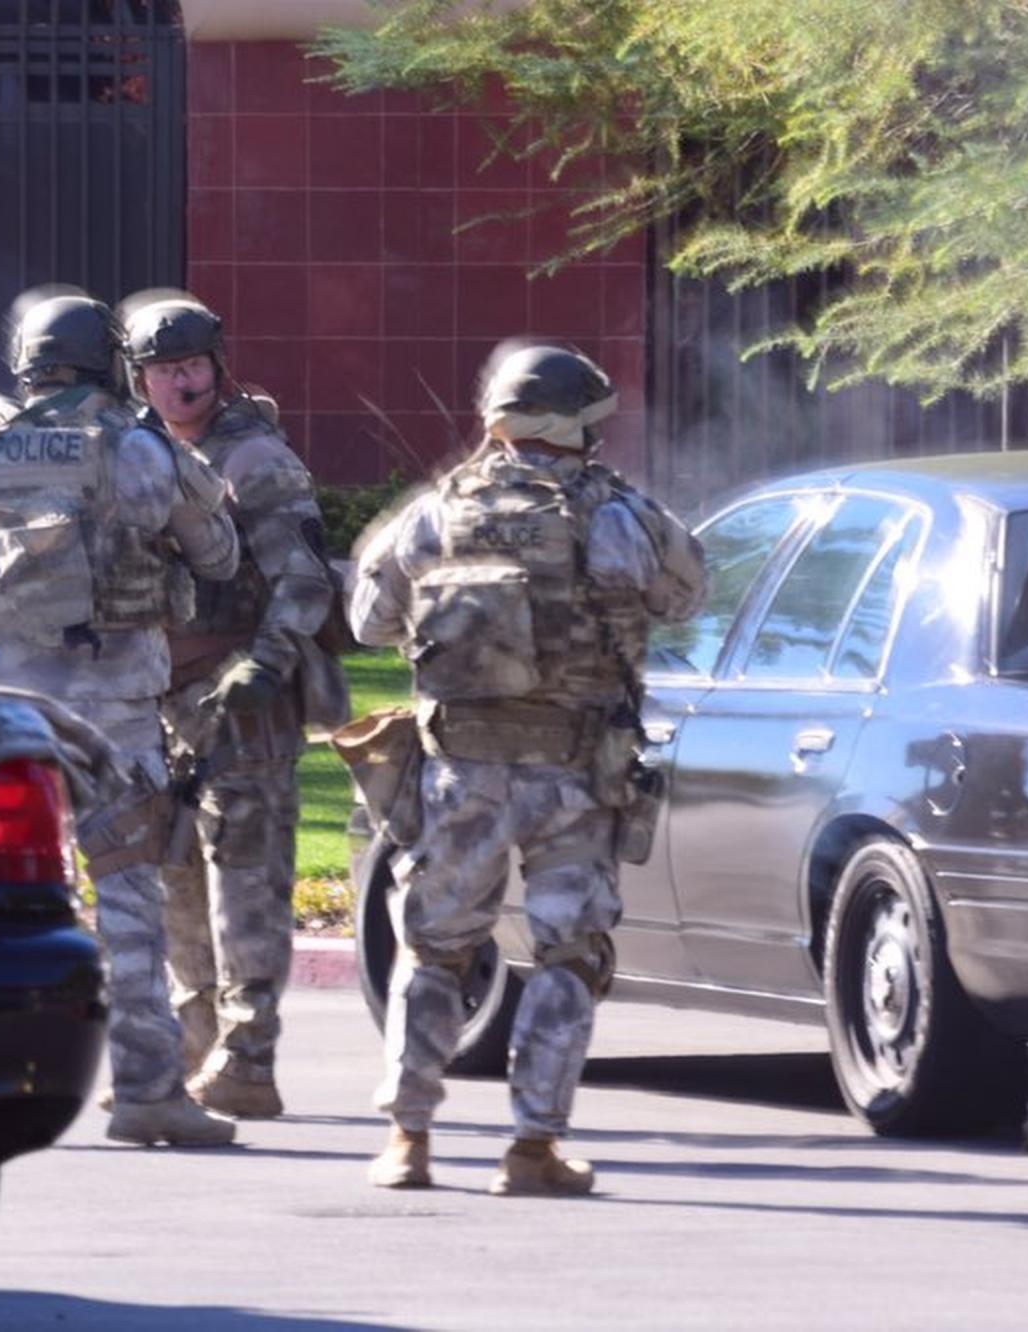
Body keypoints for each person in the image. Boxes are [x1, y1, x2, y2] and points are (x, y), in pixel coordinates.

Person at [349, 343, 705, 1195]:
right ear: (578, 424)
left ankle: (408, 1139)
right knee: (568, 953)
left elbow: (367, 620)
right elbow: (686, 596)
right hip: (578, 772)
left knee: (434, 949)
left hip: (460, 769)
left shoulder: (435, 512)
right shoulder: (619, 514)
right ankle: (532, 1148)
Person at [0, 286, 243, 1147]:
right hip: (115, 709)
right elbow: (220, 554)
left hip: (3, 711)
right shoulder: (137, 448)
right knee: (127, 891)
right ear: (108, 359)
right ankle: (147, 1092)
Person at [120, 290, 346, 1120]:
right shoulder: (138, 456)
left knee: (245, 879)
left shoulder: (257, 461)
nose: (181, 382)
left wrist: (264, 664)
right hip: (161, 699)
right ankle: (194, 1049)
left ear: (219, 365)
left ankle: (248, 1056)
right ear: (138, 376)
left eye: (193, 365)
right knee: (174, 871)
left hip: (244, 699)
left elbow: (305, 582)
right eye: (163, 368)